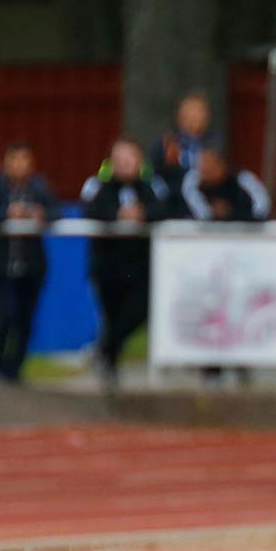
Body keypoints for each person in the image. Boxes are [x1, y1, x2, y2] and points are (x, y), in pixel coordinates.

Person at [81, 138, 169, 391]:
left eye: (130, 159)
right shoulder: (97, 185)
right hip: (107, 265)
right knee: (111, 314)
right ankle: (110, 365)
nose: (125, 165)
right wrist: (118, 215)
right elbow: (90, 210)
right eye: (120, 160)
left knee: (136, 312)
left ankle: (103, 349)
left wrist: (143, 214)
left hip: (140, 267)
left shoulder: (152, 186)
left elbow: (165, 209)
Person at [0, 142, 56, 385]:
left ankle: (16, 369)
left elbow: (55, 211)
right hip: (2, 265)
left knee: (26, 318)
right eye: (15, 160)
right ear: (5, 163)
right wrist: (6, 214)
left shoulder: (39, 188)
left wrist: (39, 215)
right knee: (6, 314)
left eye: (24, 160)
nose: (19, 166)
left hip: (32, 266)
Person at [180, 147, 271, 222]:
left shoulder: (243, 180)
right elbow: (202, 215)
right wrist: (213, 213)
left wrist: (230, 213)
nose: (204, 172)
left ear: (221, 165)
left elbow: (261, 209)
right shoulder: (193, 183)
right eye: (201, 168)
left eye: (209, 168)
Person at [150, 93, 218, 192]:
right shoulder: (166, 142)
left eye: (198, 111)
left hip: (207, 196)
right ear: (179, 116)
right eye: (188, 112)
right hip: (174, 199)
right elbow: (146, 172)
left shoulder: (215, 142)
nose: (193, 117)